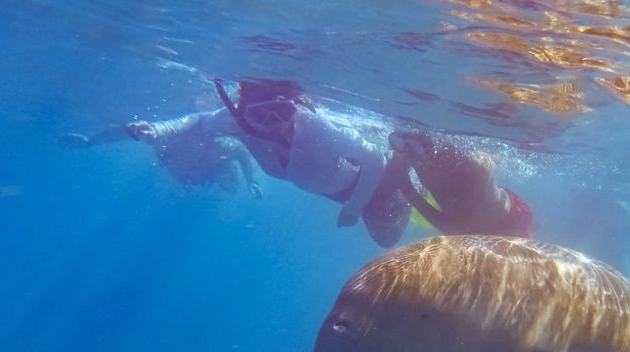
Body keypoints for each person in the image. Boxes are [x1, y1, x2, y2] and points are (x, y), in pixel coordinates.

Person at [121, 79, 410, 247]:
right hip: (333, 189)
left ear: (293, 107)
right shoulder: (235, 123)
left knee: (386, 241)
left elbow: (373, 159)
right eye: (261, 116)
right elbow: (197, 121)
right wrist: (158, 129)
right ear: (242, 112)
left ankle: (407, 171)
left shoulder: (318, 126)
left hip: (371, 185)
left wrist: (354, 209)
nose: (275, 125)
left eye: (282, 112)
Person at [386, 131, 534, 239]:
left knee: (468, 185)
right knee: (462, 213)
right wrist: (406, 188)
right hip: (479, 209)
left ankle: (427, 153)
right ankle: (423, 155)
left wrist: (407, 187)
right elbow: (453, 227)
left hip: (494, 200)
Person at [58, 121, 261, 198]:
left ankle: (90, 142)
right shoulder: (229, 149)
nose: (228, 177)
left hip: (175, 146)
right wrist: (251, 182)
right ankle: (90, 141)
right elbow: (244, 157)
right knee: (141, 131)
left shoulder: (198, 174)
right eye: (231, 175)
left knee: (141, 132)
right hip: (185, 134)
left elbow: (131, 131)